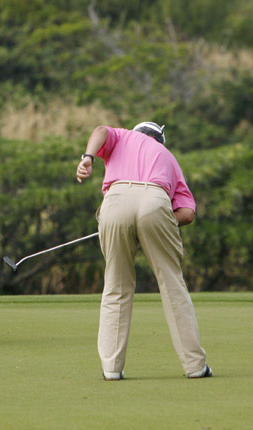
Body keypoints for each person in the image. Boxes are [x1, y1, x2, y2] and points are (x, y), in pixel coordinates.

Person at [76, 122, 212, 380]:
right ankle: (195, 366)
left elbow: (100, 131)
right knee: (172, 284)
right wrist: (156, 221)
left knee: (116, 285)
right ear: (160, 140)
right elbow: (187, 213)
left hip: (115, 200)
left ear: (138, 132)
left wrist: (87, 158)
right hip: (156, 200)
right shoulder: (170, 159)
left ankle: (111, 369)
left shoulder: (123, 137)